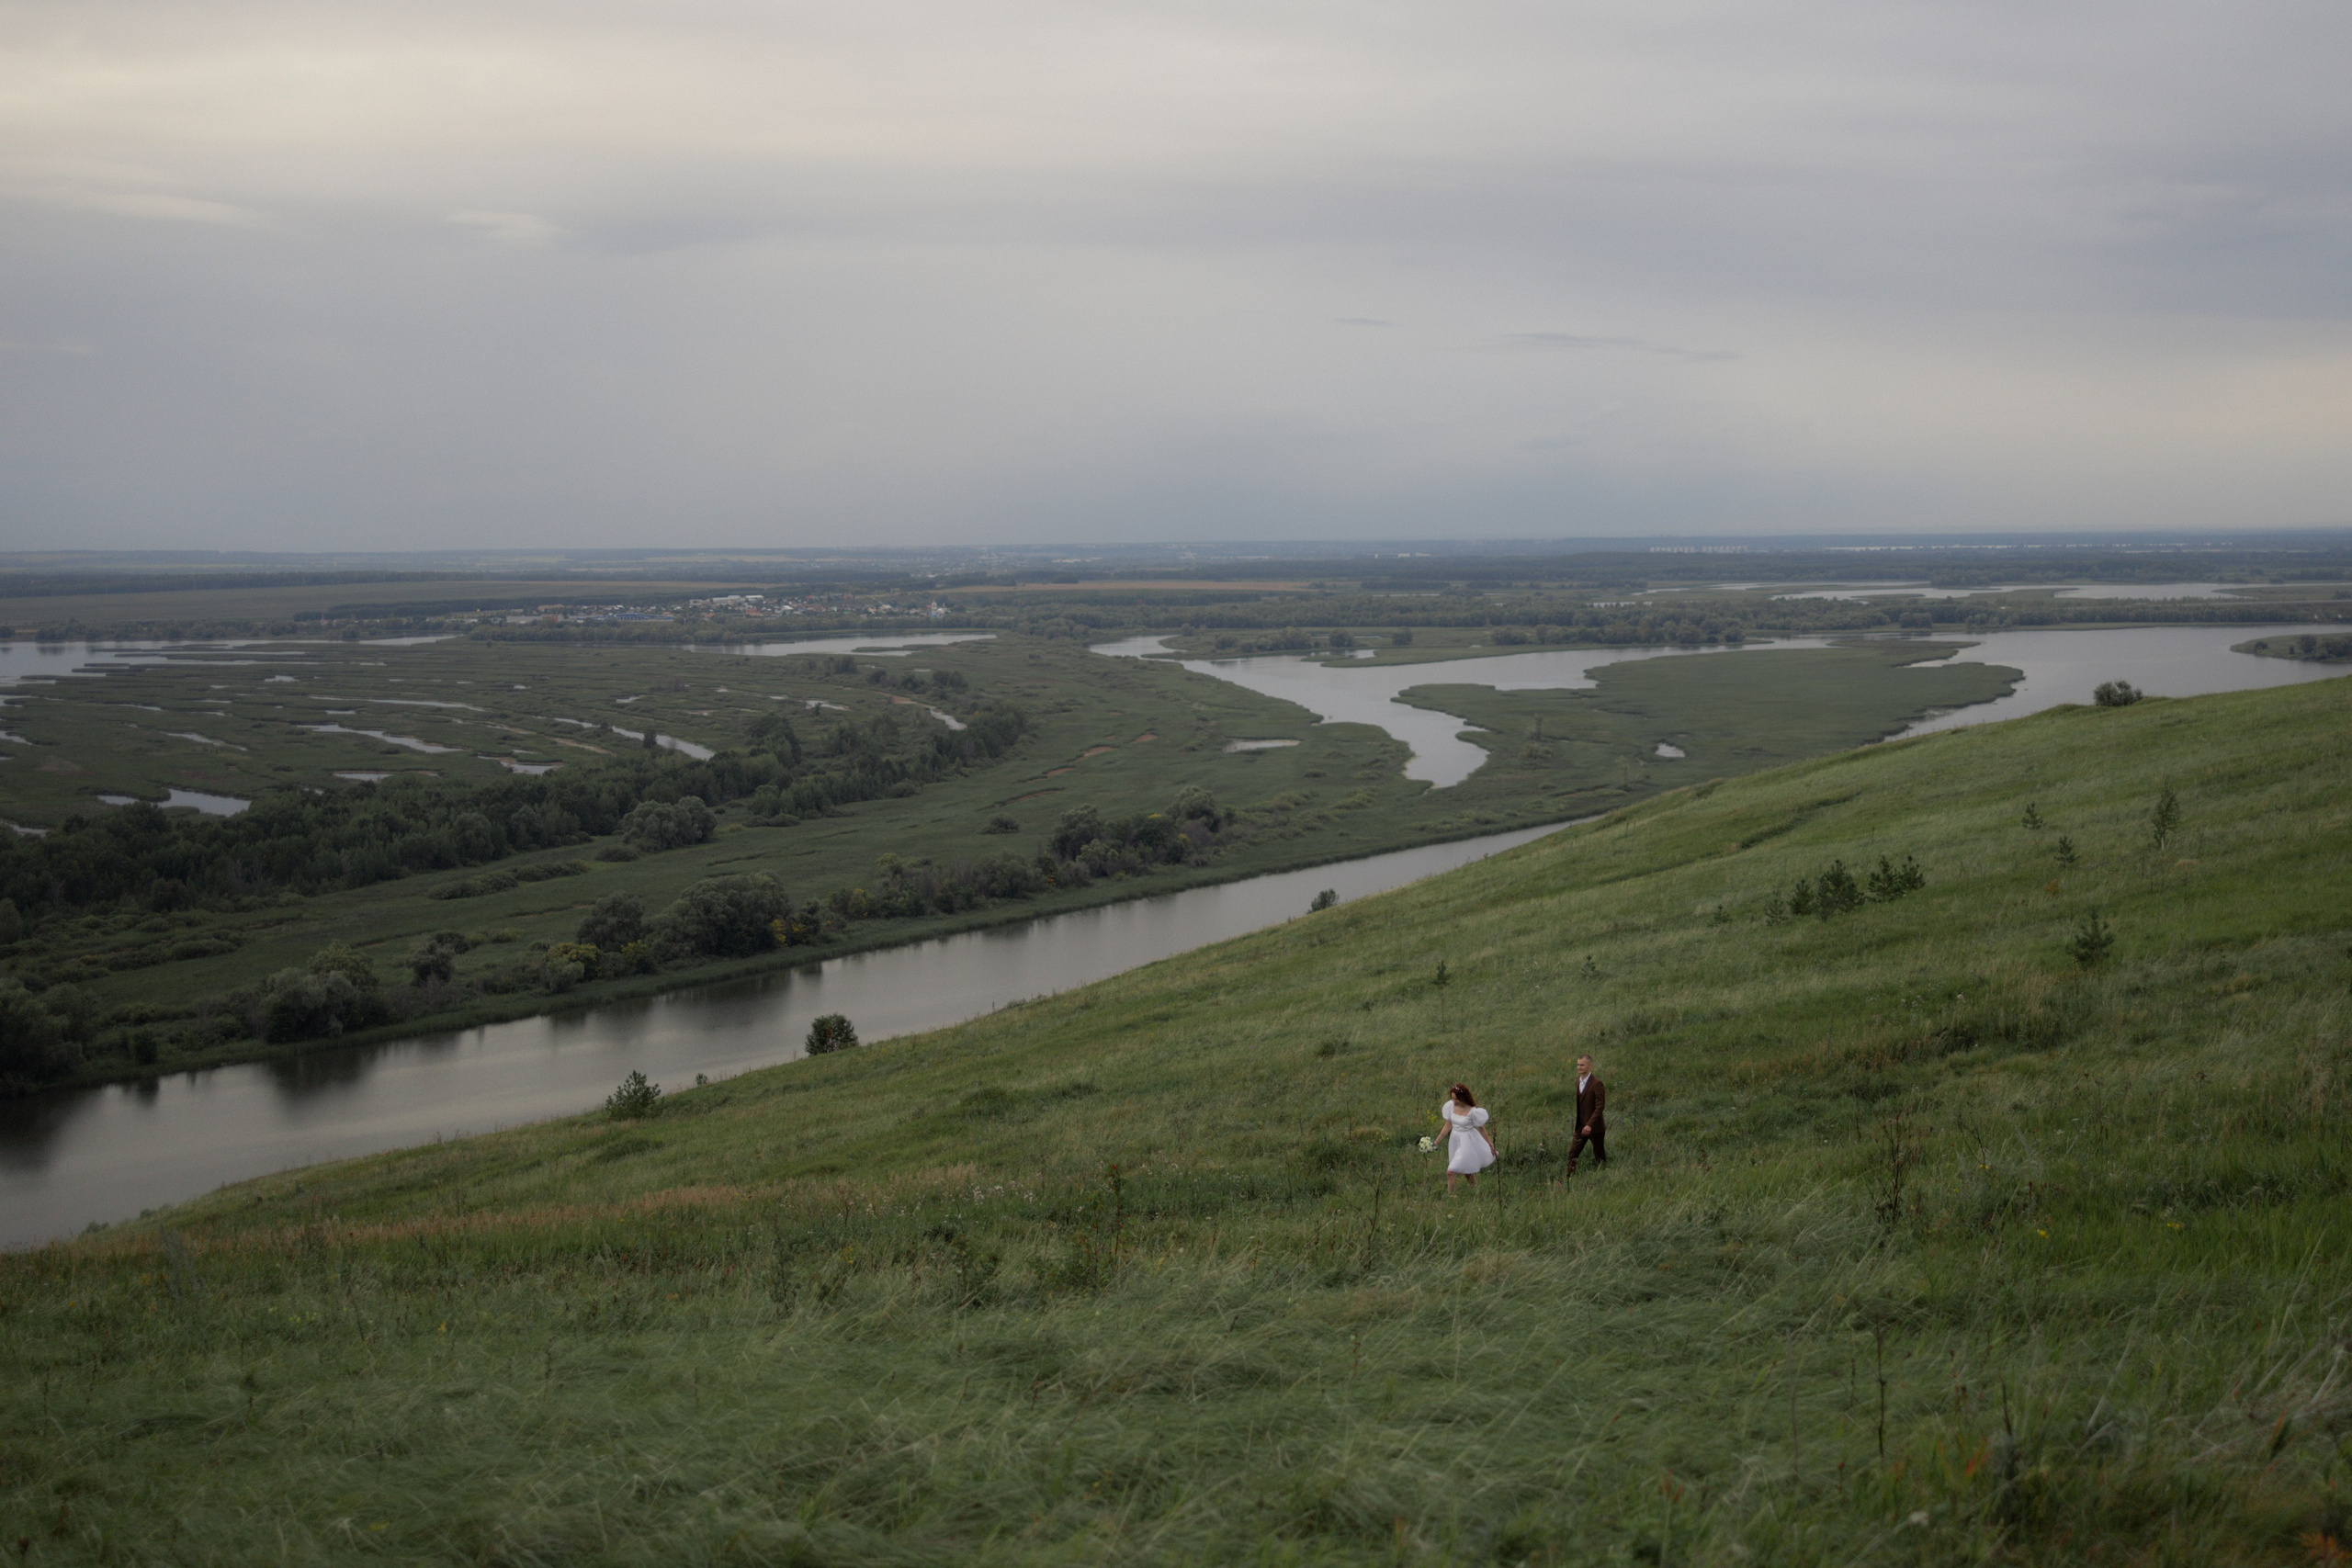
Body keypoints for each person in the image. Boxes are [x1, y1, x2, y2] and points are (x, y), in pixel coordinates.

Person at [1438, 1082, 1494, 1193]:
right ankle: (1475, 1191)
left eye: (1456, 1099)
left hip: (1467, 1143)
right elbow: (1448, 1125)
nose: (1453, 1101)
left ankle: (1451, 1197)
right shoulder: (1451, 1106)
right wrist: (1436, 1142)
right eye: (1452, 1098)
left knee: (1450, 1172)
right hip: (1455, 1141)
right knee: (1467, 1171)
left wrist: (1490, 1145)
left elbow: (1482, 1129)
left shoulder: (1473, 1112)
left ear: (1463, 1097)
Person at [1567, 1052, 1607, 1175]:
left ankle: (1604, 1174)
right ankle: (1569, 1178)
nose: (1579, 1067)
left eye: (1582, 1065)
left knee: (1599, 1154)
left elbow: (1600, 1107)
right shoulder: (1577, 1082)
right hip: (1580, 1127)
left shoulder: (1597, 1083)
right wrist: (1578, 1126)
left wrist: (1590, 1125)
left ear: (1590, 1066)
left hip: (1595, 1128)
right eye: (1578, 1065)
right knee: (1572, 1153)